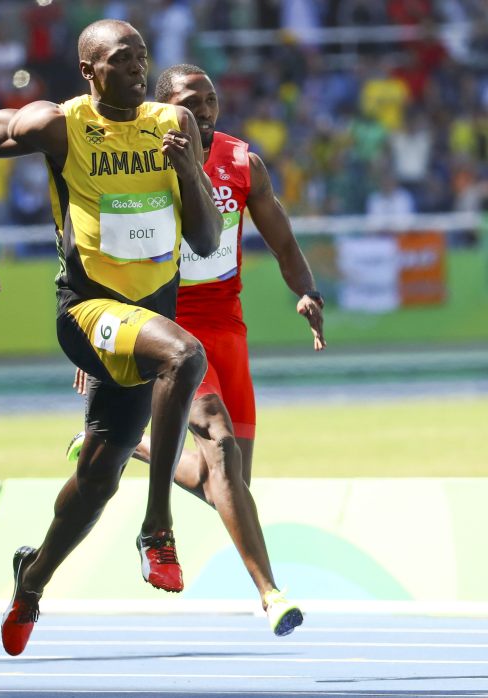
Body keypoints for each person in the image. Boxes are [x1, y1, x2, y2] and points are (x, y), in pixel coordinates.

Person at [0, 20, 222, 656]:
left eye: (143, 58)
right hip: (89, 311)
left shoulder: (173, 126)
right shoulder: (60, 123)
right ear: (88, 70)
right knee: (186, 355)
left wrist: (187, 170)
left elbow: (207, 240)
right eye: (121, 60)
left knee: (97, 480)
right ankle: (157, 527)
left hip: (144, 321)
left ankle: (31, 581)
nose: (136, 68)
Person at [68, 64, 325, 636]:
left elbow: (281, 238)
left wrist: (306, 291)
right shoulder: (134, 162)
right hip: (166, 324)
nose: (206, 110)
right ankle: (271, 593)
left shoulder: (242, 163)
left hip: (227, 327)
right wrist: (97, 340)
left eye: (211, 99)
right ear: (166, 109)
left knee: (230, 486)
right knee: (221, 447)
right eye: (192, 101)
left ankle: (128, 442)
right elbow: (94, 248)